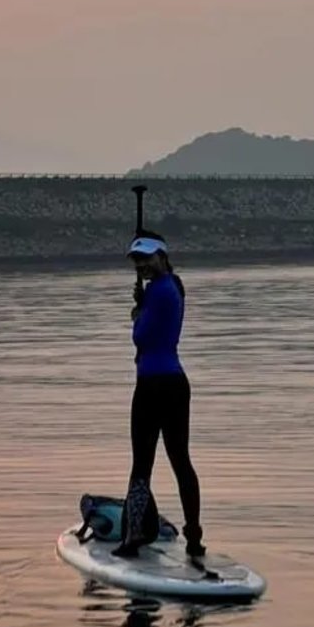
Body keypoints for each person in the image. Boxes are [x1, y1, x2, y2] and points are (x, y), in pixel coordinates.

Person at [117, 231, 205, 560]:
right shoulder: (173, 287)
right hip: (176, 384)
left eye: (147, 257)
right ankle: (194, 538)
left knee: (142, 464)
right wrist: (144, 302)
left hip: (153, 386)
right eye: (137, 259)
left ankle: (133, 537)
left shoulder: (160, 291)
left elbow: (142, 338)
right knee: (181, 461)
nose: (141, 264)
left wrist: (138, 312)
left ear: (162, 256)